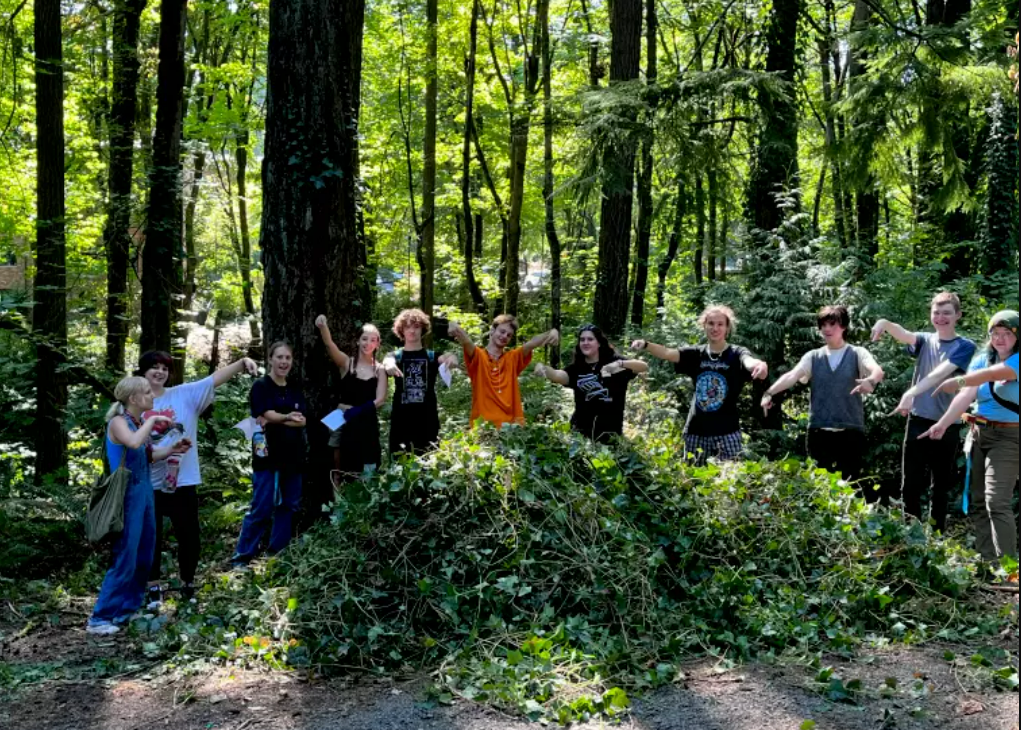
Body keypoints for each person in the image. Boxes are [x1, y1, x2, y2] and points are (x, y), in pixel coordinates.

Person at [135, 350, 258, 606]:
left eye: (164, 368)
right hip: (148, 480)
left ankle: (187, 584)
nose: (159, 372)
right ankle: (153, 588)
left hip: (183, 479)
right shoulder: (136, 402)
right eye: (153, 367)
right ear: (143, 370)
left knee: (189, 535)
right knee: (151, 536)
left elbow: (214, 379)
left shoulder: (183, 394)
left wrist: (242, 363)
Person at [88, 377, 192, 635]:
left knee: (145, 553)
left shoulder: (136, 423)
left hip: (145, 491)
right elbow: (133, 443)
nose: (152, 397)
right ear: (133, 399)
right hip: (127, 494)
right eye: (146, 393)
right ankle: (100, 618)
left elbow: (148, 455)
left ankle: (126, 610)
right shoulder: (119, 423)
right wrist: (152, 421)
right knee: (126, 554)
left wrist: (172, 448)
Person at [870, 292, 977, 531]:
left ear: (958, 315)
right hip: (917, 420)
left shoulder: (965, 346)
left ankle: (936, 533)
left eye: (947, 312)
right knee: (910, 482)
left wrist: (910, 393)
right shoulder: (924, 340)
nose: (940, 317)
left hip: (947, 422)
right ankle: (911, 531)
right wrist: (885, 324)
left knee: (940, 484)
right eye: (936, 312)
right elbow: (904, 335)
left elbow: (939, 374)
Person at [920, 311, 1019, 562]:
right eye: (996, 334)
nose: (1000, 339)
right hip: (979, 434)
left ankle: (1009, 569)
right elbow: (967, 396)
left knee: (997, 502)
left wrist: (959, 381)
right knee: (977, 501)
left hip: (1009, 437)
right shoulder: (982, 359)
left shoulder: (1016, 361)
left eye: (1007, 334)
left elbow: (992, 375)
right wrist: (943, 423)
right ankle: (988, 563)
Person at [762, 305, 885, 494]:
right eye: (823, 325)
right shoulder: (813, 356)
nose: (827, 329)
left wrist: (871, 380)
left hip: (850, 431)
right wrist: (769, 393)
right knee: (819, 488)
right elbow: (792, 376)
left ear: (843, 326)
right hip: (819, 432)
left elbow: (876, 370)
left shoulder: (857, 353)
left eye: (832, 324)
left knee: (850, 488)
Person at [631, 306, 768, 464]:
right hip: (696, 432)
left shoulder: (736, 353)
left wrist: (760, 365)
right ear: (704, 326)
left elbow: (749, 362)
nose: (715, 328)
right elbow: (667, 353)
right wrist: (646, 344)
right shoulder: (696, 354)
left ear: (727, 328)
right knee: (694, 481)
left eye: (720, 324)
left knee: (728, 482)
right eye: (711, 323)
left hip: (727, 432)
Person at [232, 342, 306, 566]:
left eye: (288, 358)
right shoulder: (261, 386)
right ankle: (242, 558)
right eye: (280, 357)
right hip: (266, 456)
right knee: (261, 507)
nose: (284, 362)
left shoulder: (294, 387)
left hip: (293, 456)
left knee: (289, 504)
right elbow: (264, 414)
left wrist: (278, 418)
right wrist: (285, 418)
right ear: (271, 359)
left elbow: (302, 420)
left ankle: (276, 554)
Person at [535, 324, 649, 442]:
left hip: (610, 436)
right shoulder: (576, 368)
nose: (585, 342)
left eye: (590, 339)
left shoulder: (613, 362)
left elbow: (643, 366)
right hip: (581, 437)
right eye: (582, 340)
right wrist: (544, 369)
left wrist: (620, 364)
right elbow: (558, 375)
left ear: (599, 343)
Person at [447, 315, 559, 428]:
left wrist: (552, 332)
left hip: (512, 430)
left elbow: (532, 343)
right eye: (502, 331)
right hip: (483, 429)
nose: (504, 336)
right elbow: (466, 341)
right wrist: (452, 324)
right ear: (492, 330)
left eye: (509, 335)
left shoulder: (512, 358)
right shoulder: (478, 356)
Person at [315, 317, 388, 479]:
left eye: (372, 340)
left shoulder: (380, 369)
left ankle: (365, 494)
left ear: (377, 344)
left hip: (365, 417)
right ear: (357, 341)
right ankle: (337, 496)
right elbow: (330, 345)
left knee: (367, 459)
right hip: (340, 415)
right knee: (336, 459)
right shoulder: (347, 363)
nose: (367, 343)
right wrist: (323, 326)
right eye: (364, 339)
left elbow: (381, 399)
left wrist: (358, 411)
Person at [381, 309, 459, 456]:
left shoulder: (431, 356)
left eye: (416, 326)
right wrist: (389, 364)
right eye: (408, 327)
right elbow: (387, 360)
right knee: (400, 464)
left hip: (427, 420)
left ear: (423, 329)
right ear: (401, 330)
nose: (412, 331)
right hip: (401, 421)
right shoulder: (395, 356)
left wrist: (452, 358)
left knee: (428, 461)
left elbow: (447, 356)